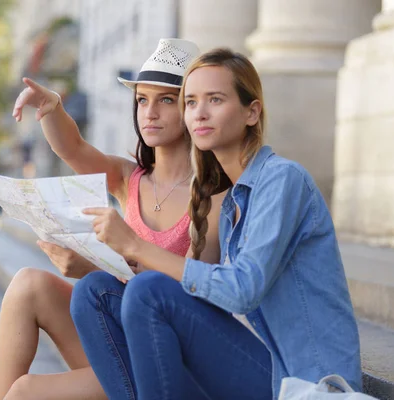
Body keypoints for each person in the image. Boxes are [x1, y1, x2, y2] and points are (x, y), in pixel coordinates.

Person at [72, 48, 362, 400]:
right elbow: (208, 298)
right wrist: (130, 259)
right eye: (191, 102)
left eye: (215, 100)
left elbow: (241, 290)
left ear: (251, 112)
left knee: (148, 292)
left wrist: (137, 245)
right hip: (270, 372)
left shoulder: (282, 180)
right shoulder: (231, 202)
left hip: (307, 383)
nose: (200, 113)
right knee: (95, 292)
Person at [0, 38, 225, 400]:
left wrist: (92, 268)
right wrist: (52, 108)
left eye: (165, 100)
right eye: (142, 100)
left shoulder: (211, 197)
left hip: (164, 359)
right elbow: (76, 149)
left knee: (25, 393)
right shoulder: (129, 178)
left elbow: (189, 296)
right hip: (112, 333)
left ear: (192, 108)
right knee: (27, 285)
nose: (150, 112)